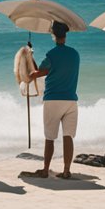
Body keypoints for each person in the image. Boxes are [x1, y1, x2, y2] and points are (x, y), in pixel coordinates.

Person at [24, 20, 80, 179]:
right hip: (71, 100)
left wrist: (30, 55)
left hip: (53, 100)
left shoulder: (51, 55)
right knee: (68, 136)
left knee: (50, 137)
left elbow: (37, 73)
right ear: (65, 35)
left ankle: (45, 169)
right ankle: (67, 170)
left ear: (53, 35)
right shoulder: (75, 54)